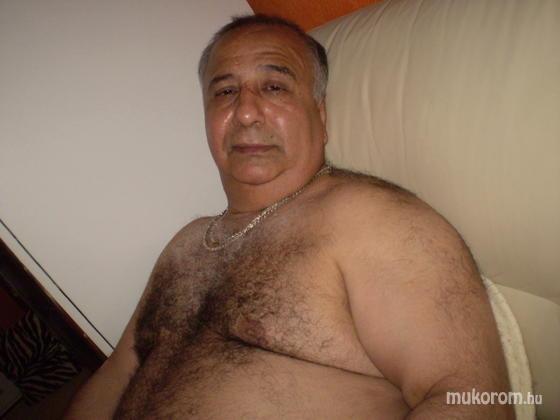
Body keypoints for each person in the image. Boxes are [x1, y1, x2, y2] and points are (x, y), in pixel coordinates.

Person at [65, 14, 513, 419]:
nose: (245, 111)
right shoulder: (186, 245)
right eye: (225, 92)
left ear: (321, 114)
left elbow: (473, 399)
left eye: (275, 87)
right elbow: (116, 374)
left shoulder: (370, 219)